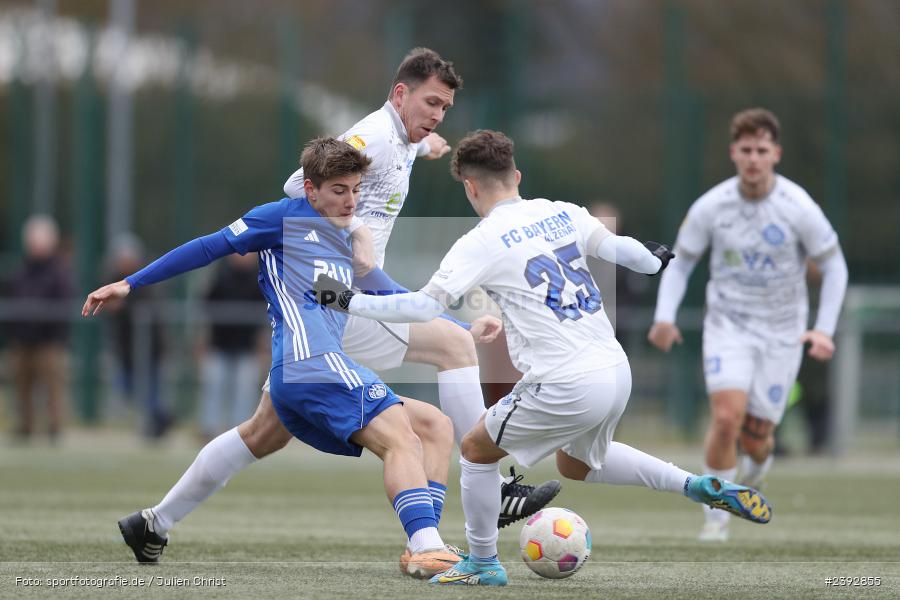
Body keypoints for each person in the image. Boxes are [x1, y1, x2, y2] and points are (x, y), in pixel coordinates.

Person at [112, 47, 559, 568]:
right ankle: (489, 484)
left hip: (332, 308)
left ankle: (153, 522)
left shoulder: (403, 138)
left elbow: (392, 158)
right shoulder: (370, 138)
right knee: (454, 349)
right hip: (344, 303)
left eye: (445, 109)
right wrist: (358, 232)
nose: (437, 116)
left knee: (261, 433)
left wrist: (429, 145)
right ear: (399, 94)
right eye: (431, 104)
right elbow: (301, 186)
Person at [315, 130, 773, 586]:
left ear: (470, 187)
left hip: (565, 379)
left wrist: (348, 300)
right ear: (516, 175)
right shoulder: (562, 212)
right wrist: (652, 262)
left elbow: (423, 307)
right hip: (614, 370)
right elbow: (625, 251)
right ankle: (694, 485)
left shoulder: (482, 239)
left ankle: (482, 562)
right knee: (576, 465)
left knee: (475, 451)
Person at [83, 138, 462, 578]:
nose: (350, 200)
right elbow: (208, 247)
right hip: (312, 364)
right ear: (310, 188)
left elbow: (391, 291)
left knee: (430, 425)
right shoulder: (280, 218)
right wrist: (130, 283)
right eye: (339, 190)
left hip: (302, 372)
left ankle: (154, 523)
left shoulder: (343, 236)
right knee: (401, 435)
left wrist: (467, 329)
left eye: (356, 190)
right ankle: (426, 547)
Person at [646, 108, 848, 541]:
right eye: (746, 150)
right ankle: (716, 516)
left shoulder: (798, 207)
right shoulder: (712, 206)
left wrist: (824, 328)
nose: (753, 159)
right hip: (729, 327)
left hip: (782, 334)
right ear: (733, 153)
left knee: (757, 439)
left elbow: (835, 267)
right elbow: (680, 266)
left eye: (761, 150)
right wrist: (665, 317)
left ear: (775, 153)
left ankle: (750, 479)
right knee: (725, 417)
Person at [7, 215, 73, 442]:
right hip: (23, 339)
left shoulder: (58, 272)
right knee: (21, 387)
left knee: (53, 387)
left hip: (49, 340)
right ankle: (25, 426)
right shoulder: (21, 270)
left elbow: (64, 301)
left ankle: (54, 427)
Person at [105, 233, 172, 439]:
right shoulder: (112, 279)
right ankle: (160, 418)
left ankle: (156, 424)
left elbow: (145, 308)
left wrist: (123, 307)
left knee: (149, 390)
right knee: (127, 387)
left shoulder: (145, 277)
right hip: (126, 347)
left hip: (149, 347)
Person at [198, 252, 266, 440]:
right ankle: (208, 429)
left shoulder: (261, 278)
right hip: (219, 345)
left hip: (248, 346)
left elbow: (266, 315)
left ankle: (239, 433)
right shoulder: (219, 276)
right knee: (214, 387)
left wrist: (263, 343)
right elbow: (206, 306)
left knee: (244, 391)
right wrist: (203, 340)